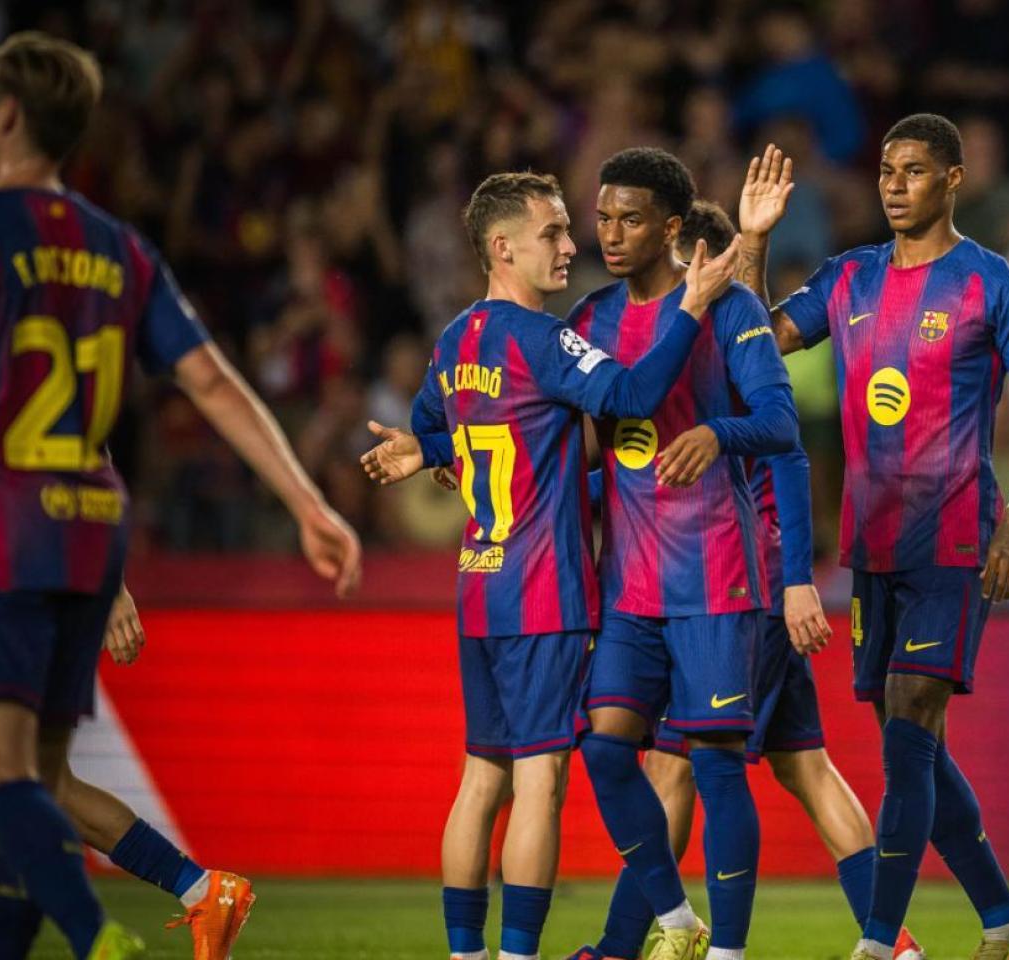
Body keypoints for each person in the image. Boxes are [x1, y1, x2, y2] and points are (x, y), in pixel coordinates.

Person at [0, 32, 360, 960]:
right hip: (86, 533)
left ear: (8, 114)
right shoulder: (114, 248)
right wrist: (307, 502)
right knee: (8, 773)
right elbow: (210, 381)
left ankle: (95, 933)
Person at [358, 170, 742, 960]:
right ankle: (518, 954)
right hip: (543, 592)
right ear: (502, 248)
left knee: (480, 780)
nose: (572, 247)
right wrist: (692, 308)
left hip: (478, 584)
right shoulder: (543, 338)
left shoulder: (456, 338)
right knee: (540, 782)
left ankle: (467, 954)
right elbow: (634, 392)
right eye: (553, 233)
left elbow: (442, 423)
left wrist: (423, 448)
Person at [737, 115, 1009, 960]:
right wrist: (752, 242)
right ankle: (1006, 927)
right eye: (886, 169)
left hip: (957, 538)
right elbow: (753, 345)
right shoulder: (848, 278)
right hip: (872, 546)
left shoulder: (996, 286)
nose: (892, 184)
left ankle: (879, 943)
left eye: (913, 170)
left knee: (911, 727)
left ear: (952, 181)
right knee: (911, 742)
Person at [568, 201, 923, 960]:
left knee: (678, 764)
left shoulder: (725, 357)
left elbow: (788, 460)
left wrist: (796, 581)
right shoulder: (705, 353)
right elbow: (643, 474)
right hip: (740, 584)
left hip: (737, 588)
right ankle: (893, 944)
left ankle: (627, 944)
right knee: (806, 767)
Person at [0, 163, 260, 960]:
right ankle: (195, 893)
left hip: (14, 570)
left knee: (6, 774)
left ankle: (181, 896)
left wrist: (115, 582)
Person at [564, 148, 798, 960]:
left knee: (717, 766)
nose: (612, 233)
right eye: (603, 216)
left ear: (671, 228)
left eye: (631, 219)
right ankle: (675, 923)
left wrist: (714, 432)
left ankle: (728, 952)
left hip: (716, 576)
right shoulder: (588, 319)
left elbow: (780, 422)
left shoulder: (730, 311)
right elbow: (570, 434)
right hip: (627, 585)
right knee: (603, 749)